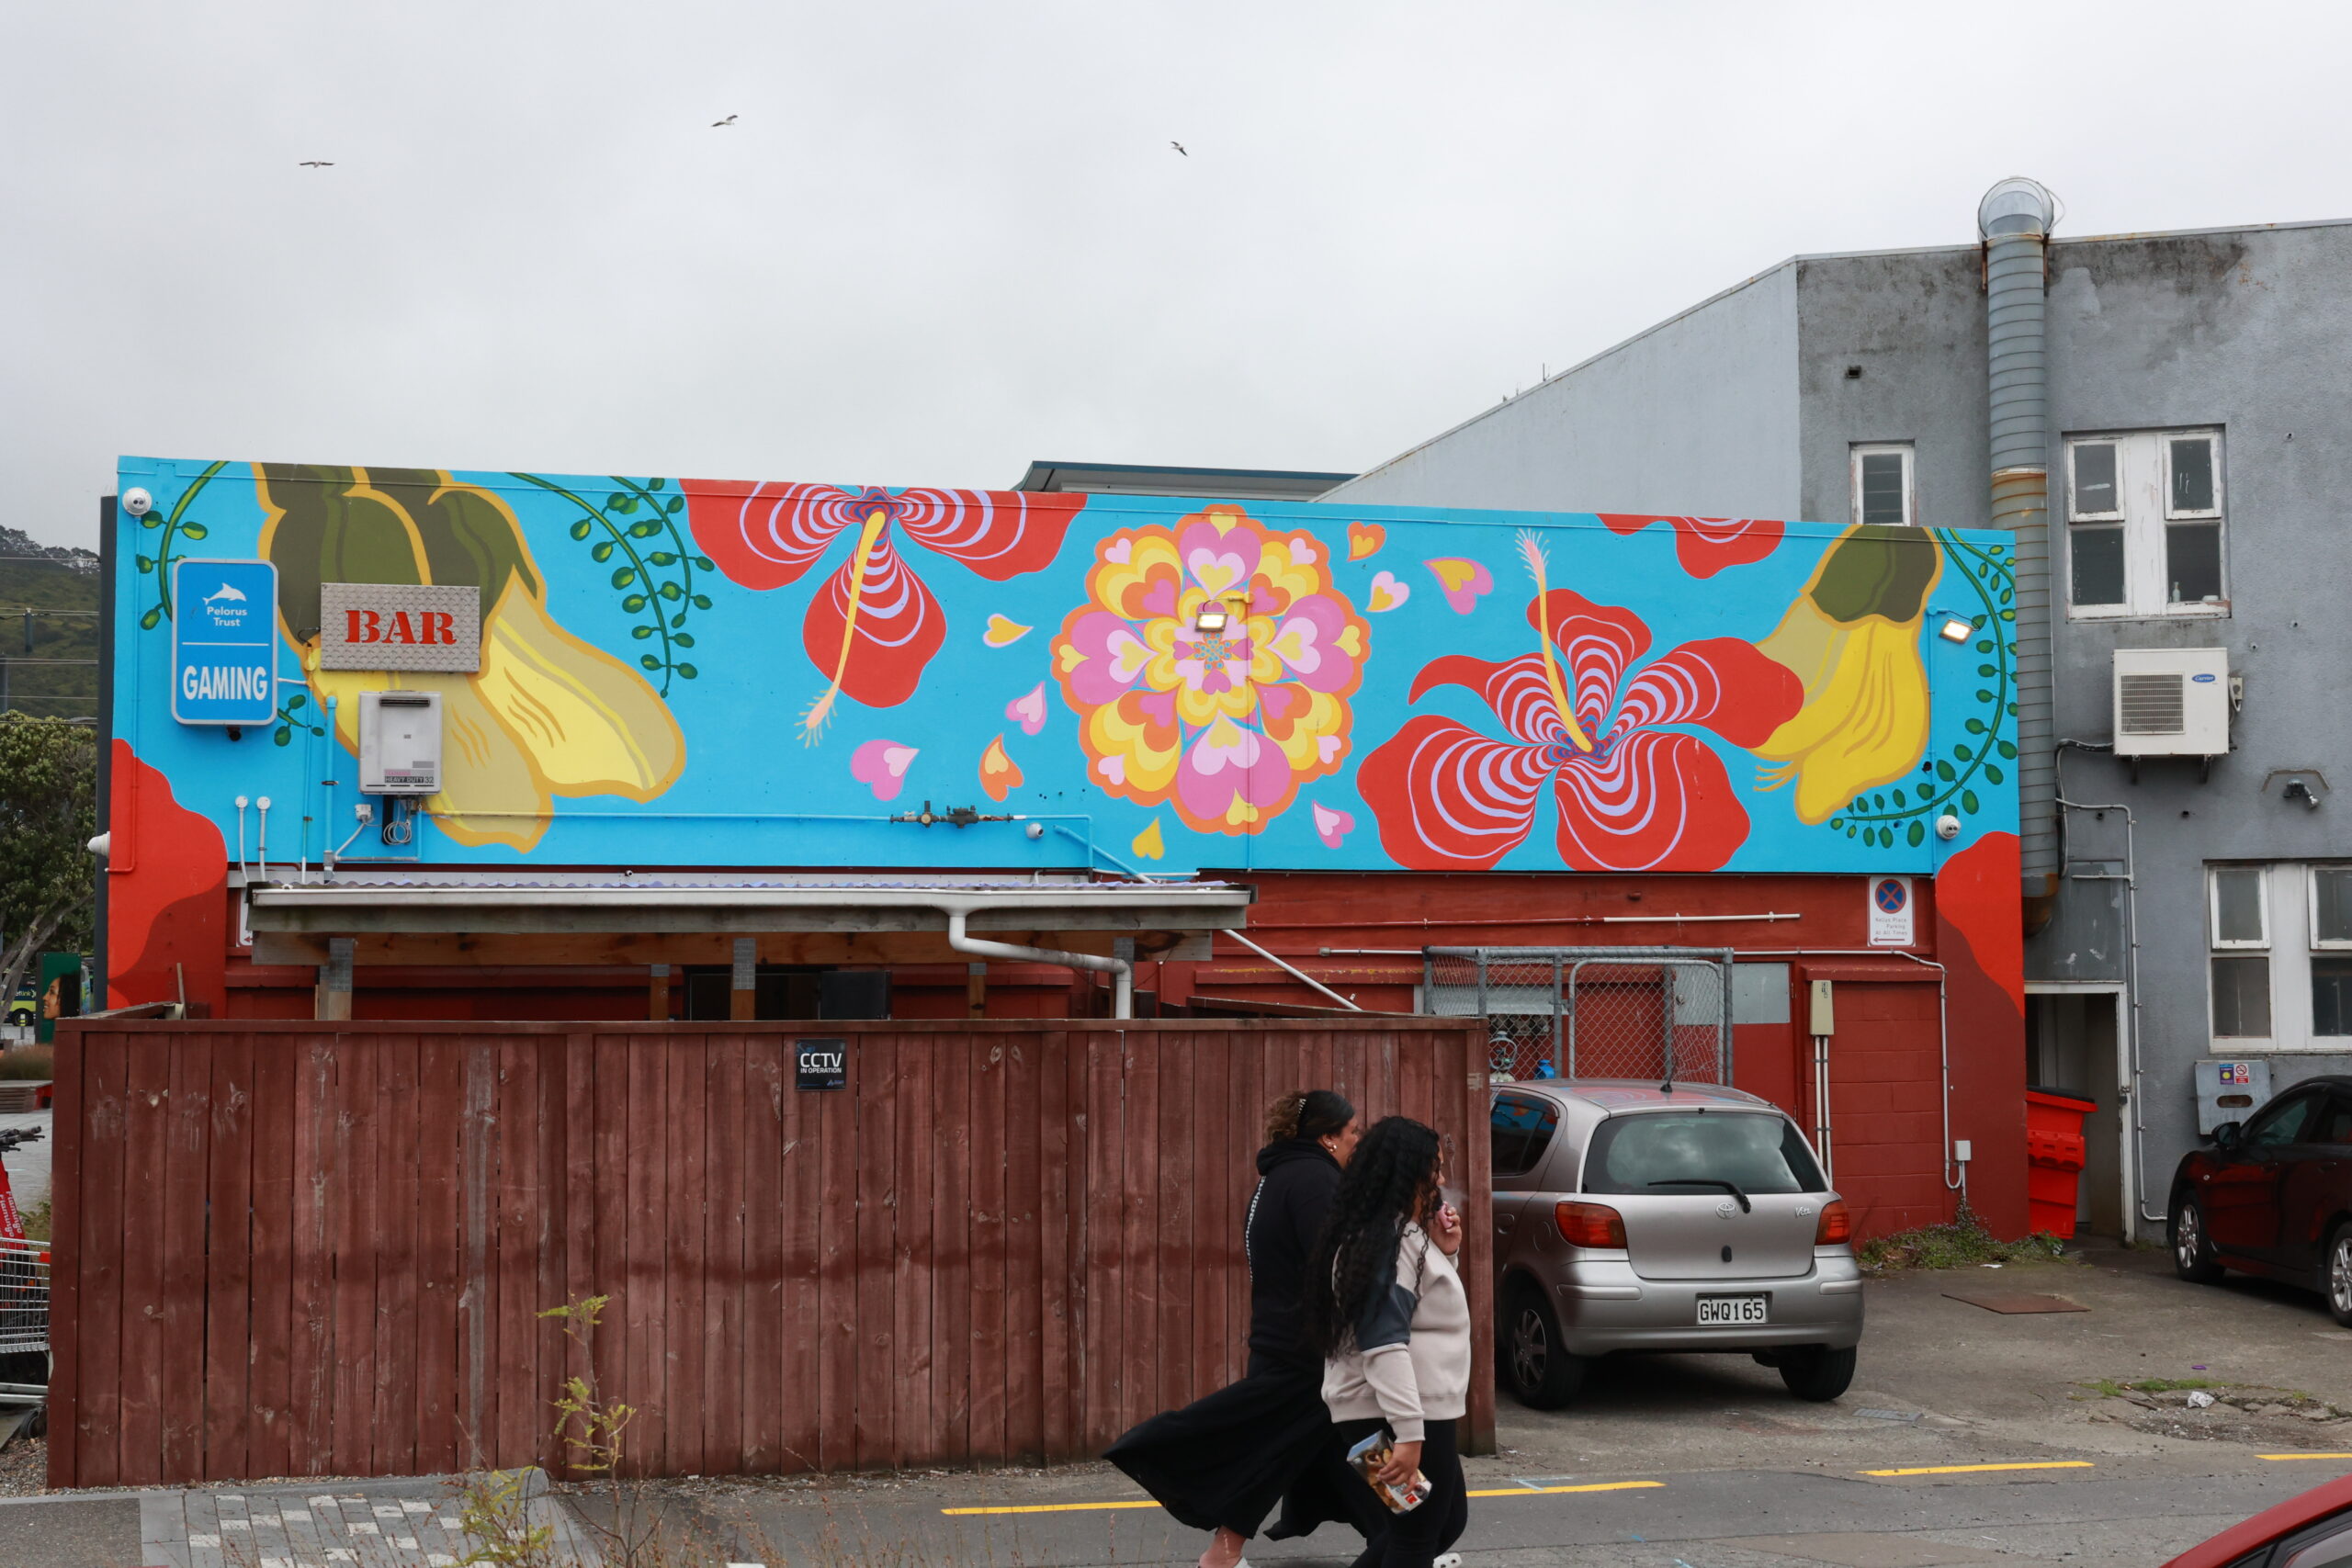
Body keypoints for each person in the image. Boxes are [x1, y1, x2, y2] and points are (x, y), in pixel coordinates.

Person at [1106, 1089, 1384, 1568]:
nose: (1358, 1140)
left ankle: (1404, 1541)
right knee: (1355, 1444)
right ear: (1327, 1138)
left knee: (1330, 1450)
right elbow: (1336, 1267)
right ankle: (1412, 1542)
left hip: (1287, 1342)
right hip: (1311, 1352)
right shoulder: (1315, 1180)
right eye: (1353, 1131)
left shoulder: (1277, 1179)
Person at [1306, 1116, 1471, 1568]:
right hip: (1392, 1414)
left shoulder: (1396, 1234)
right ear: (1407, 1173)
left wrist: (1446, 1252)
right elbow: (1383, 1343)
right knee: (1416, 1532)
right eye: (1434, 1169)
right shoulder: (1386, 1242)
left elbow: (1421, 1311)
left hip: (1400, 1410)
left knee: (1440, 1522)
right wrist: (1410, 1435)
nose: (1441, 1180)